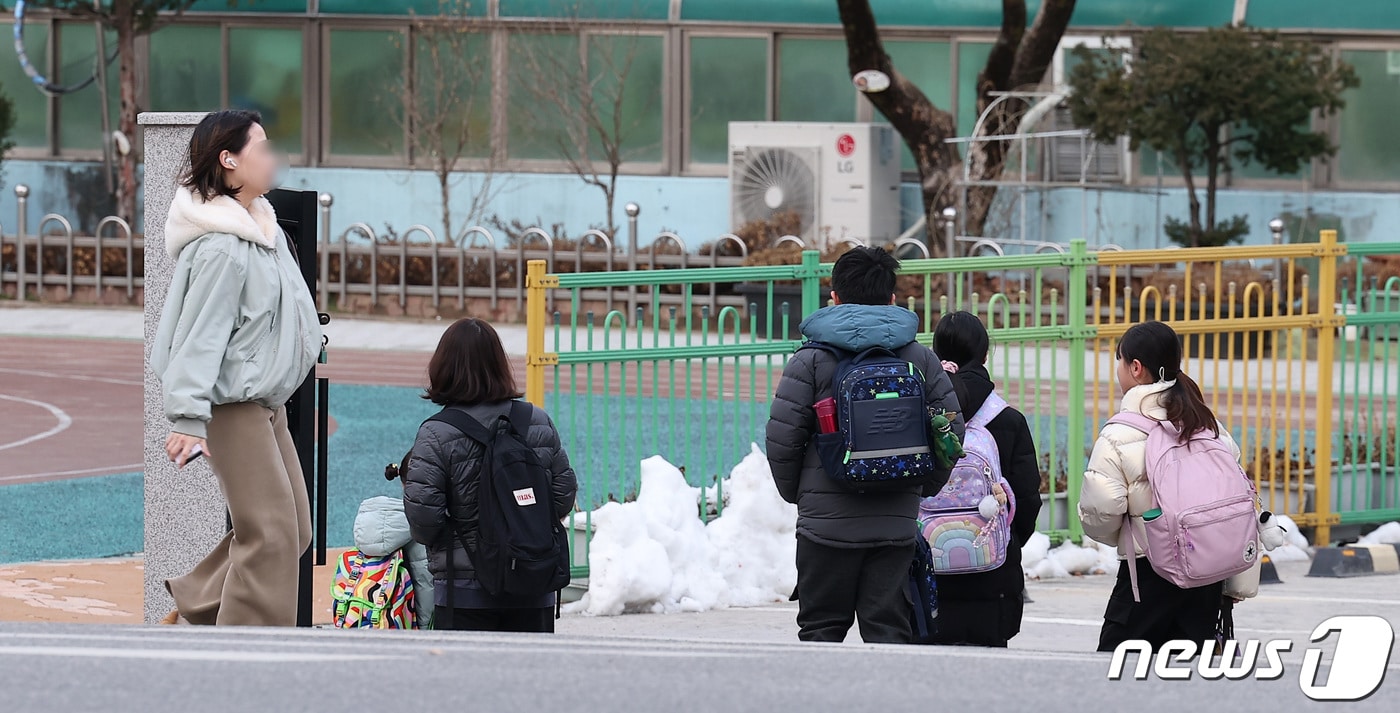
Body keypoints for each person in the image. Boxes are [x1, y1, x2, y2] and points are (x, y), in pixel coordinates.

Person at [150, 109, 323, 626]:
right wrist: (186, 418)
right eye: (262, 148)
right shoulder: (223, 247)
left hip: (265, 404)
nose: (274, 158)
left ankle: (195, 606)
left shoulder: (262, 230)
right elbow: (197, 337)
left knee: (295, 529)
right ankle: (244, 653)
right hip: (233, 407)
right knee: (269, 532)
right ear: (228, 160)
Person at [766, 246, 964, 644]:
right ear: (892, 299)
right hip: (894, 526)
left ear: (834, 297)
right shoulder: (919, 359)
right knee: (889, 635)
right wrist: (918, 485)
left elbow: (783, 439)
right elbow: (952, 434)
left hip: (824, 530)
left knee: (820, 633)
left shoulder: (810, 361)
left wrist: (802, 496)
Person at [402, 318, 578, 633]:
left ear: (443, 367)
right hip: (533, 582)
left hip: (465, 593)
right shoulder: (536, 421)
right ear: (500, 365)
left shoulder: (436, 433)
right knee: (531, 679)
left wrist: (461, 541)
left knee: (468, 681)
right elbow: (562, 495)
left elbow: (423, 521)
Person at [1079, 320, 1241, 651]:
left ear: (1135, 368)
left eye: (1120, 361)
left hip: (1146, 576)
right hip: (1205, 578)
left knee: (1117, 672)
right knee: (1190, 680)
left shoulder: (1118, 434)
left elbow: (1101, 512)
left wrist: (1130, 534)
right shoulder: (1207, 425)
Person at [928, 312, 1042, 647]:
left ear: (935, 356)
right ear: (985, 356)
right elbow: (1027, 499)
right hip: (994, 580)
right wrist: (1005, 541)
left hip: (928, 579)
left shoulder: (924, 413)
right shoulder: (1007, 420)